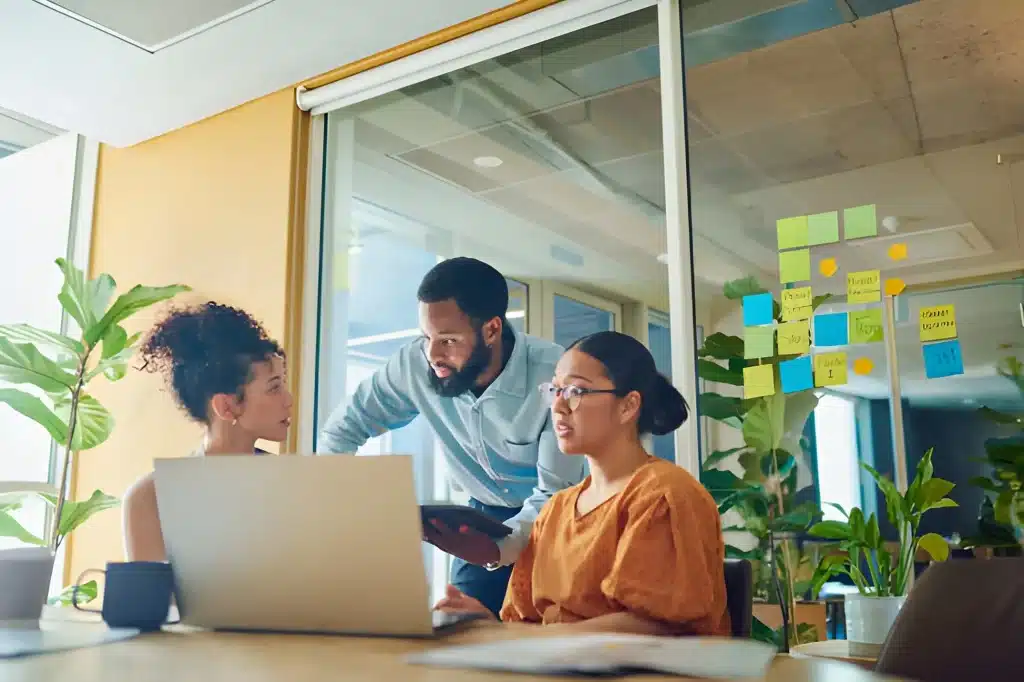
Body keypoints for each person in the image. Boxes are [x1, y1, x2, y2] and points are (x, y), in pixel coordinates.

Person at [317, 257, 584, 616]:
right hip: (481, 516)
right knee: (458, 626)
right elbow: (342, 430)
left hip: (560, 517)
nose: (433, 354)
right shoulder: (414, 364)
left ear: (491, 329)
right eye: (427, 337)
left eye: (448, 340)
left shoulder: (554, 373)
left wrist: (501, 549)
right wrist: (331, 503)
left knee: (549, 628)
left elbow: (555, 494)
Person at [435, 331, 730, 636]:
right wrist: (486, 624)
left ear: (628, 406)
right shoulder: (556, 509)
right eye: (555, 390)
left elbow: (649, 630)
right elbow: (524, 623)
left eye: (576, 391)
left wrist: (519, 638)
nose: (558, 406)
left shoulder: (663, 495)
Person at [122, 302, 293, 562]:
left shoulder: (293, 486)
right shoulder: (149, 498)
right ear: (226, 406)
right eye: (274, 388)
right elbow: (149, 601)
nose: (289, 400)